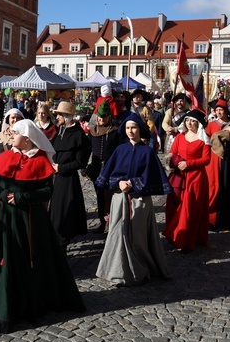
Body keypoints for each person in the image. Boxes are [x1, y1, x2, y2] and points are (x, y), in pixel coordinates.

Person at [0, 119, 85, 332]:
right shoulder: (6, 157)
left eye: (15, 134)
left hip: (29, 221)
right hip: (2, 218)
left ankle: (28, 304)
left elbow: (47, 191)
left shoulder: (40, 161)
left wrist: (22, 198)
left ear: (28, 139)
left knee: (28, 260)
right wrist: (1, 194)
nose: (10, 136)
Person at [94, 113, 171, 286]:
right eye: (128, 128)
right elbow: (107, 175)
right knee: (118, 233)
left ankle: (141, 269)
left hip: (139, 200)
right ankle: (117, 270)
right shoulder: (120, 149)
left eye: (133, 127)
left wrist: (133, 183)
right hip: (120, 199)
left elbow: (152, 176)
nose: (130, 131)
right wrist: (119, 182)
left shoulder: (148, 151)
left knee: (139, 236)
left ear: (140, 129)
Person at [164, 109, 211, 252]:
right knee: (176, 206)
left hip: (195, 178)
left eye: (192, 121)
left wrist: (188, 164)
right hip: (179, 177)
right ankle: (175, 234)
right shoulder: (180, 137)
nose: (189, 123)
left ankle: (188, 240)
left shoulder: (203, 139)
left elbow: (206, 159)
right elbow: (173, 153)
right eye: (187, 120)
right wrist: (178, 162)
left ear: (198, 123)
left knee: (191, 209)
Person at [50, 101, 91, 250]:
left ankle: (61, 247)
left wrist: (61, 168)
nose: (58, 117)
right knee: (53, 213)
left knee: (63, 215)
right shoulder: (60, 130)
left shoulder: (79, 135)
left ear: (68, 116)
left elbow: (80, 162)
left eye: (60, 114)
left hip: (67, 180)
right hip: (54, 178)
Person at [206, 99, 230, 229]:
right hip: (216, 160)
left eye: (221, 109)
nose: (218, 112)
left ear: (226, 111)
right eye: (217, 110)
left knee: (229, 187)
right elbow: (207, 142)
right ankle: (214, 219)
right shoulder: (211, 125)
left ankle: (229, 219)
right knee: (216, 187)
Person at [86, 101, 121, 233]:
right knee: (99, 195)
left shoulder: (115, 131)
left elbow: (120, 150)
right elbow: (88, 149)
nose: (101, 120)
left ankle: (111, 223)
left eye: (104, 117)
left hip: (110, 168)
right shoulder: (92, 130)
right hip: (96, 168)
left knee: (110, 196)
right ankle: (102, 221)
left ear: (109, 117)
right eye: (99, 118)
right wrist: (85, 166)